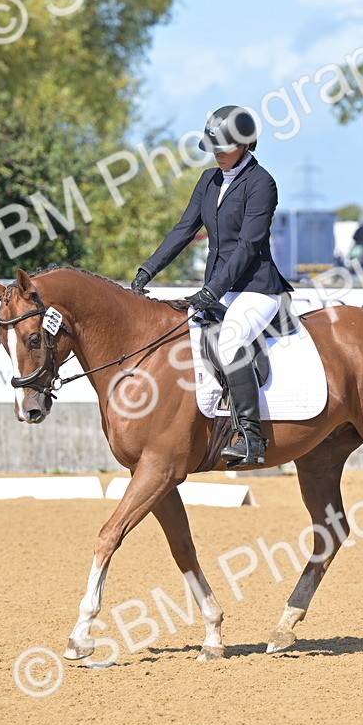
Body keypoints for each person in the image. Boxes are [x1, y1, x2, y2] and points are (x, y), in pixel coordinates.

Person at [130, 105, 293, 467]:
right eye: (213, 147)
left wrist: (213, 290)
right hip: (219, 289)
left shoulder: (261, 183)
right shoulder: (208, 180)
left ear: (245, 145)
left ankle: (251, 436)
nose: (216, 153)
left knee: (232, 338)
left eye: (224, 147)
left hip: (256, 289)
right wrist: (147, 270)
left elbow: (249, 246)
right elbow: (182, 230)